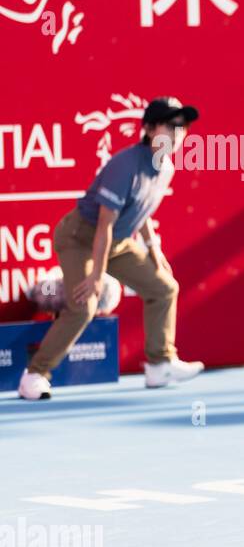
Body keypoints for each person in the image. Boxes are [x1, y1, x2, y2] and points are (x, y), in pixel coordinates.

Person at [17, 97, 206, 400]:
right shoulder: (125, 165)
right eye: (170, 126)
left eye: (182, 127)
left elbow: (141, 211)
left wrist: (154, 250)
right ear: (148, 128)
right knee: (84, 306)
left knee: (164, 288)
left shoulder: (166, 167)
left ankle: (159, 364)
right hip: (79, 237)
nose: (177, 134)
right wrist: (96, 277)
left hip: (114, 241)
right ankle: (35, 375)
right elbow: (103, 225)